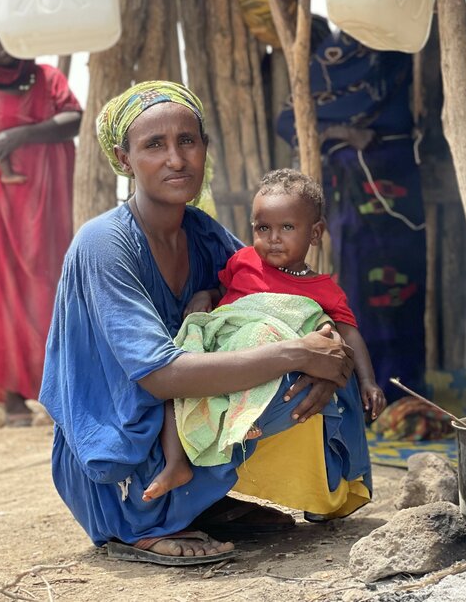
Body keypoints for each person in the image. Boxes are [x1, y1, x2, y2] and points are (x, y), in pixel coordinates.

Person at [39, 80, 372, 566]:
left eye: (187, 141)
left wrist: (326, 357)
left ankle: (205, 501)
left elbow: (280, 299)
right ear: (124, 158)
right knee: (296, 356)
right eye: (154, 145)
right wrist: (299, 355)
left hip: (181, 418)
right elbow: (159, 375)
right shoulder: (103, 244)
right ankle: (141, 524)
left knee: (319, 350)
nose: (176, 159)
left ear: (204, 149)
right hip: (119, 456)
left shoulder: (202, 230)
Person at [144, 168, 387, 502]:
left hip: (266, 358)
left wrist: (368, 382)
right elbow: (222, 290)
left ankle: (244, 420)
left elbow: (349, 333)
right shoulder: (243, 260)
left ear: (315, 233)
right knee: (180, 362)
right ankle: (175, 462)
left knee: (261, 335)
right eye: (263, 228)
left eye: (287, 227)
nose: (273, 238)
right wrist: (206, 296)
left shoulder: (323, 289)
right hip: (223, 352)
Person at [0, 0, 81, 425]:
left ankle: (55, 389)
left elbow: (74, 118)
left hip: (42, 204)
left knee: (47, 285)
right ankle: (9, 396)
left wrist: (22, 135)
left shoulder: (46, 77)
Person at [276, 29, 426, 403]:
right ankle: (362, 390)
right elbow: (289, 121)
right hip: (348, 195)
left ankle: (406, 388)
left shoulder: (397, 52)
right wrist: (343, 131)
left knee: (403, 288)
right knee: (355, 289)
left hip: (398, 188)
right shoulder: (328, 62)